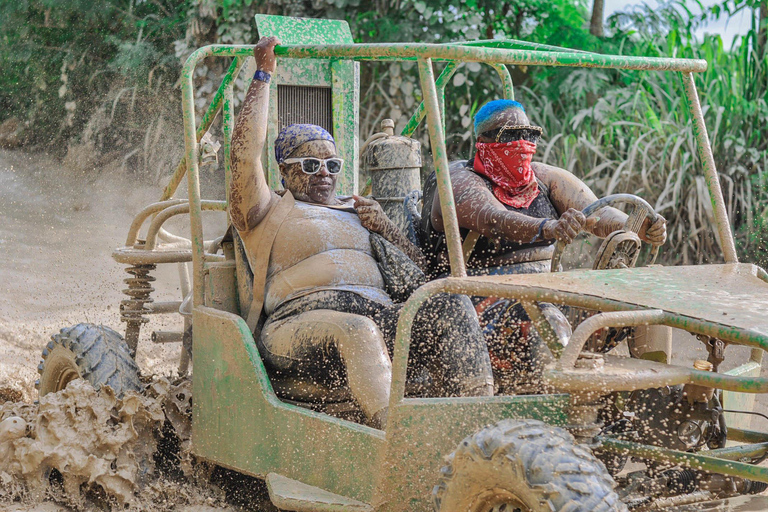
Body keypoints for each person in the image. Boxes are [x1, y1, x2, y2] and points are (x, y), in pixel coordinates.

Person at [229, 37, 494, 429]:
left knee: (449, 303)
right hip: (296, 328)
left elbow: (418, 274)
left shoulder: (360, 211)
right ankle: (399, 443)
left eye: (332, 165)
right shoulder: (265, 210)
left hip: (380, 317)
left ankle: (480, 425)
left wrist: (386, 228)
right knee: (358, 329)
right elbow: (244, 154)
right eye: (309, 164)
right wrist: (263, 74)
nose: (324, 174)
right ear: (283, 170)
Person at [423, 99, 667, 389]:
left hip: (551, 292)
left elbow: (597, 211)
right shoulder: (460, 180)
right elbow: (494, 219)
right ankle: (563, 404)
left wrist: (638, 226)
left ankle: (655, 394)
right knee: (546, 318)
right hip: (482, 304)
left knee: (645, 296)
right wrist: (549, 227)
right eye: (510, 136)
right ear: (482, 141)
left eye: (530, 135)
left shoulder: (544, 177)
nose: (523, 143)